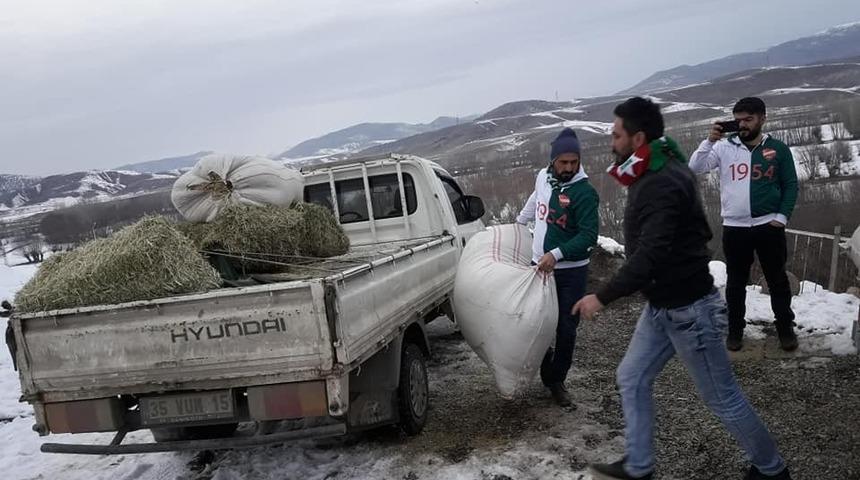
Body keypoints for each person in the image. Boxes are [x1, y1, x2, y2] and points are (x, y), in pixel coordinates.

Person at [573, 97, 791, 480]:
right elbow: (689, 237)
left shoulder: (661, 181)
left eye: (616, 133)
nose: (611, 140)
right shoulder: (653, 168)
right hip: (663, 305)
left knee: (722, 398)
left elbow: (650, 254)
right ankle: (640, 466)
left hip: (690, 310)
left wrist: (602, 294)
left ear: (637, 137)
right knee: (632, 377)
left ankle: (772, 471)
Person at [689, 97, 799, 351]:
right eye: (738, 120)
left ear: (763, 118)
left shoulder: (778, 149)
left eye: (748, 119)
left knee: (777, 280)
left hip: (768, 225)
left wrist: (781, 218)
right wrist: (710, 141)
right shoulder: (724, 147)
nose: (742, 125)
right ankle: (735, 330)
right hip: (735, 227)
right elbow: (695, 167)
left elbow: (790, 185)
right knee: (736, 282)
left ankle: (785, 328)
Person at [515, 127, 599, 409]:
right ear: (552, 161)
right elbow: (536, 199)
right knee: (534, 320)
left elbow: (588, 236)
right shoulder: (544, 176)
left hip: (570, 271)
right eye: (563, 162)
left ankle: (556, 380)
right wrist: (518, 222)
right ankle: (543, 363)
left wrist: (558, 253)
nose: (569, 168)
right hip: (539, 265)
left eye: (574, 162)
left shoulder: (584, 192)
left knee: (566, 327)